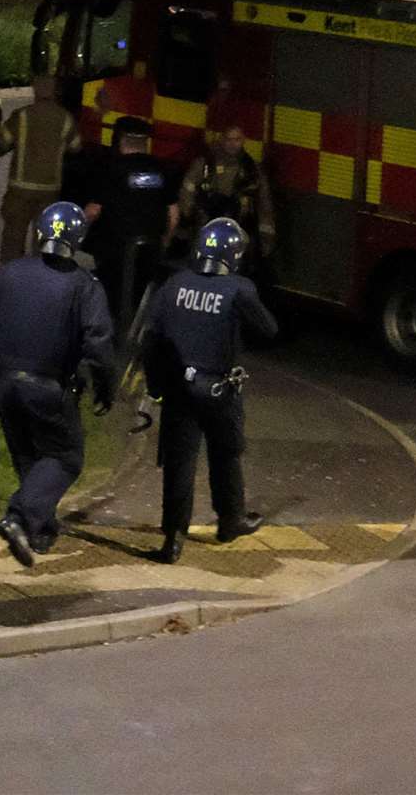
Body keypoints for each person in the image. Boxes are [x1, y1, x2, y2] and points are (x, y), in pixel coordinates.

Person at [0, 202, 117, 566]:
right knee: (65, 457)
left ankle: (38, 531)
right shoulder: (83, 286)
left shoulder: (9, 273)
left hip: (7, 384)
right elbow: (99, 344)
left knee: (30, 458)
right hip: (49, 388)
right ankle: (19, 518)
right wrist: (106, 387)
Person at [140, 218, 279, 564]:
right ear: (234, 255)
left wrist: (155, 386)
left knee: (179, 464)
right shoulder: (239, 288)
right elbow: (269, 329)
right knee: (226, 456)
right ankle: (230, 522)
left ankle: (172, 539)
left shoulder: (174, 284)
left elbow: (152, 339)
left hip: (178, 391)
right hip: (220, 391)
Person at [84, 115, 177, 331]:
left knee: (109, 295)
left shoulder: (110, 168)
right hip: (150, 246)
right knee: (142, 295)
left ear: (120, 140)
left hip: (115, 249)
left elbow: (93, 211)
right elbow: (173, 214)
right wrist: (165, 241)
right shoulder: (161, 169)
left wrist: (78, 231)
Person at [0, 73, 82, 264]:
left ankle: (10, 275)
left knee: (13, 235)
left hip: (20, 188)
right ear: (55, 91)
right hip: (49, 189)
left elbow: (3, 142)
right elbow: (76, 147)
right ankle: (39, 277)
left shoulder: (22, 115)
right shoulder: (66, 118)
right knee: (45, 237)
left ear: (35, 89)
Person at [175, 125, 276, 275]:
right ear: (222, 139)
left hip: (238, 232)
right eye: (229, 139)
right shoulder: (205, 164)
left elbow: (264, 205)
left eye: (237, 139)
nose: (233, 143)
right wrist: (185, 222)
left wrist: (266, 240)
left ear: (243, 141)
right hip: (205, 228)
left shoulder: (252, 170)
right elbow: (186, 193)